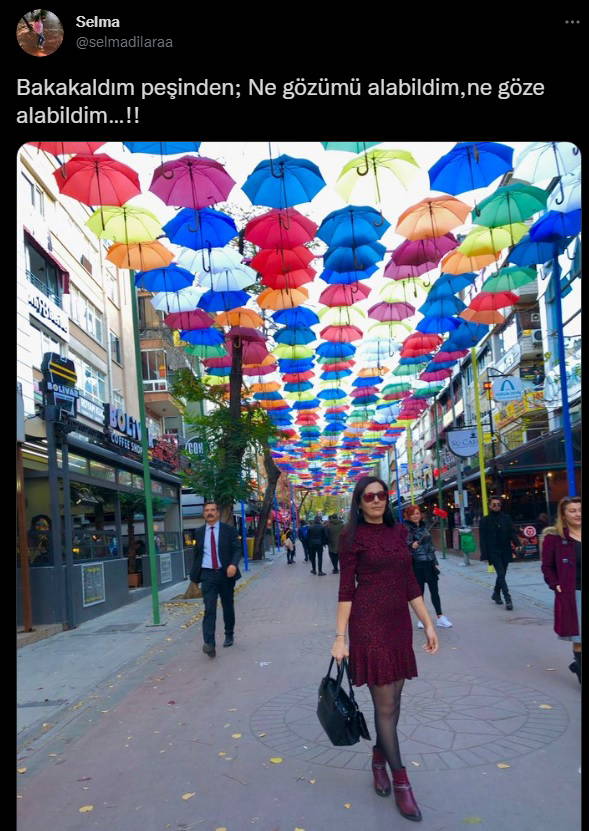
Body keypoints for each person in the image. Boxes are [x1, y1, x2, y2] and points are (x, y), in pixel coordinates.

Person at [332, 476, 439, 822]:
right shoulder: (351, 537)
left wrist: (428, 622)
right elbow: (346, 588)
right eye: (369, 496)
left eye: (381, 495)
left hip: (398, 624)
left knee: (395, 702)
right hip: (368, 623)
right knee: (386, 703)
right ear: (359, 502)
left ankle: (378, 758)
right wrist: (339, 637)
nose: (376, 500)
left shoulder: (398, 533)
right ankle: (402, 781)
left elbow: (410, 583)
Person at [189, 500, 242, 658]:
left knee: (227, 605)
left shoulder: (229, 530)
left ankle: (229, 634)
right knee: (209, 608)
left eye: (213, 510)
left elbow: (237, 549)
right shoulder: (198, 532)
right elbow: (197, 554)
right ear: (204, 514)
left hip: (225, 573)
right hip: (207, 574)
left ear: (218, 513)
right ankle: (209, 643)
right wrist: (194, 576)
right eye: (207, 510)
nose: (210, 513)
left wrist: (233, 564)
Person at [541, 497, 582, 684]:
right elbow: (547, 566)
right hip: (574, 594)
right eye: (572, 510)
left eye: (580, 509)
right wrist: (554, 584)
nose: (578, 514)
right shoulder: (554, 539)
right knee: (579, 638)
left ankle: (577, 665)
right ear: (564, 515)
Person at [404, 505, 453, 629]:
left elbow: (430, 546)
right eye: (413, 514)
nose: (416, 516)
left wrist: (434, 561)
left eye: (418, 513)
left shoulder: (425, 526)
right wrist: (411, 545)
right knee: (420, 593)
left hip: (429, 563)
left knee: (435, 591)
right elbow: (404, 544)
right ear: (409, 516)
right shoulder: (406, 529)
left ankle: (440, 617)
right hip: (417, 564)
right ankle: (422, 618)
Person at [479, 497, 523, 610]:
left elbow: (512, 532)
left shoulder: (506, 518)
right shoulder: (484, 520)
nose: (496, 506)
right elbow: (482, 538)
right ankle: (508, 599)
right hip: (493, 551)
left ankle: (496, 594)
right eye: (494, 505)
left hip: (505, 549)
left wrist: (517, 544)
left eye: (498, 504)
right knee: (501, 573)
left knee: (502, 574)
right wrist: (484, 554)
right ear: (489, 506)